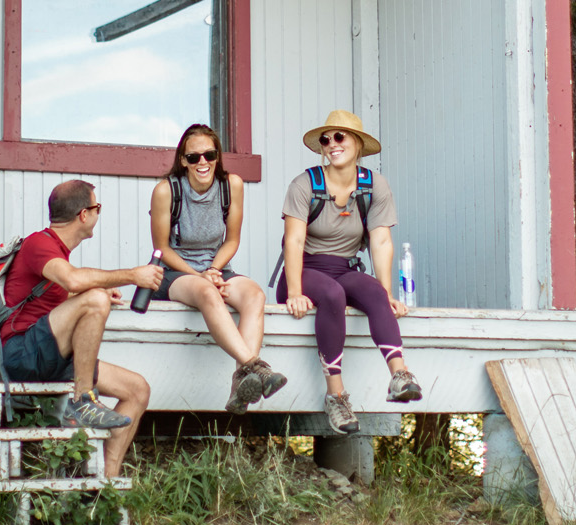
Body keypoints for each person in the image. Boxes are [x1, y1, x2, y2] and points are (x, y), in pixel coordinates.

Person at [0, 179, 161, 477]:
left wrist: (87, 296)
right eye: (97, 208)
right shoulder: (39, 243)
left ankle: (107, 481)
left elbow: (59, 295)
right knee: (96, 299)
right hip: (22, 351)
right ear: (84, 214)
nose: (99, 213)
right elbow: (72, 280)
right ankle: (82, 401)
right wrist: (132, 276)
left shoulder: (57, 253)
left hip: (50, 353)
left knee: (137, 390)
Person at [277, 109, 421, 436]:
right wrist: (296, 291)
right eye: (326, 139)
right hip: (304, 272)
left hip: (345, 268)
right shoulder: (304, 185)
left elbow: (381, 240)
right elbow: (294, 240)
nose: (332, 144)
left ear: (357, 144)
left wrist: (386, 295)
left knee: (372, 292)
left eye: (339, 137)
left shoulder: (374, 186)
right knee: (333, 295)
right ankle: (336, 395)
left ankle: (400, 375)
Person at [148, 124, 288, 413]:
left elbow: (232, 239)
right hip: (175, 272)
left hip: (216, 267)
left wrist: (213, 269)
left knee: (255, 295)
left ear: (217, 157)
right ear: (182, 160)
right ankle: (254, 367)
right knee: (206, 293)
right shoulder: (166, 190)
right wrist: (199, 275)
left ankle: (239, 387)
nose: (202, 163)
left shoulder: (231, 185)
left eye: (209, 155)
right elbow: (162, 248)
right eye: (193, 157)